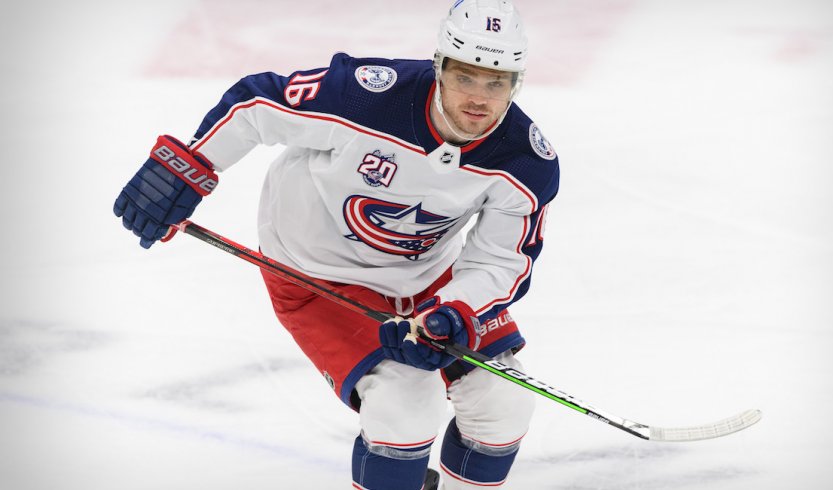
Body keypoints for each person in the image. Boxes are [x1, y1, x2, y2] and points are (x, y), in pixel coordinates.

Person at [113, 0, 559, 488]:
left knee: (504, 406)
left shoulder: (525, 161)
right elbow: (257, 104)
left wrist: (453, 311)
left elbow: (499, 261)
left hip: (429, 276)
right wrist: (193, 164)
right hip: (316, 274)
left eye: (496, 83)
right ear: (438, 67)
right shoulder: (366, 95)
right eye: (464, 77)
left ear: (516, 82)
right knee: (403, 406)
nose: (479, 98)